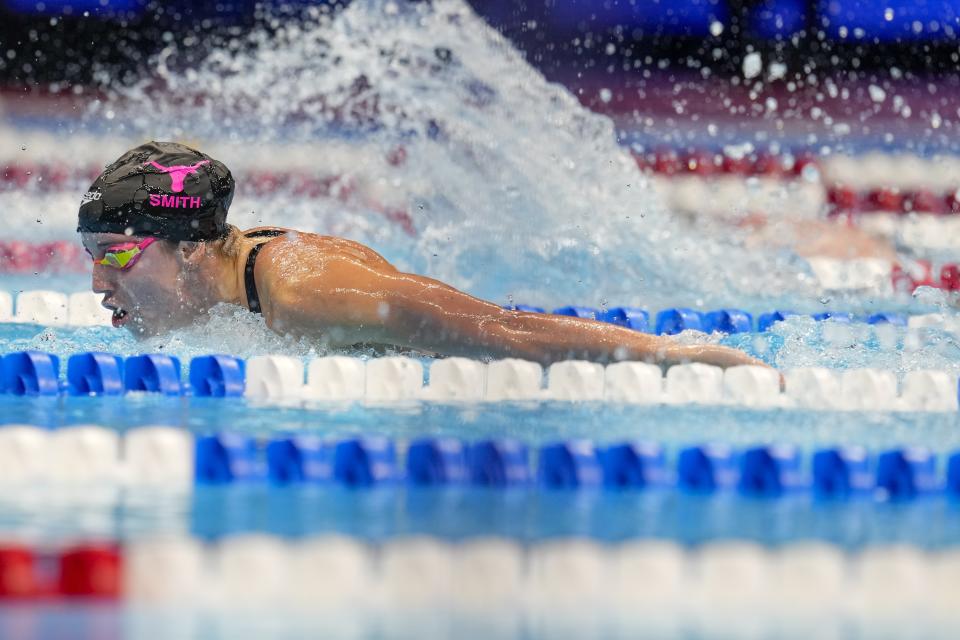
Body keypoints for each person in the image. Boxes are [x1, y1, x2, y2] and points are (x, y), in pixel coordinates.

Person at [78, 141, 767, 369]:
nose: (96, 280)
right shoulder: (231, 277)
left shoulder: (302, 292)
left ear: (190, 251)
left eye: (114, 256)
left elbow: (503, 329)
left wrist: (672, 355)